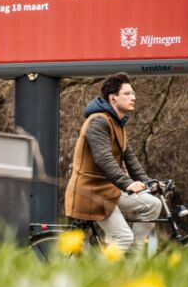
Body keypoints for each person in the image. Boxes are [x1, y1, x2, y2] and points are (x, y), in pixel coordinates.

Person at [64, 72, 161, 253]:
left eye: (133, 93)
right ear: (113, 98)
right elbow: (103, 158)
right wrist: (127, 183)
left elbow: (130, 159)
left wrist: (148, 182)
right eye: (127, 93)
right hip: (91, 191)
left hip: (108, 190)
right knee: (123, 237)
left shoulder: (117, 124)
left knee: (153, 204)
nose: (133, 97)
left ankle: (133, 254)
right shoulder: (98, 122)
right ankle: (105, 270)